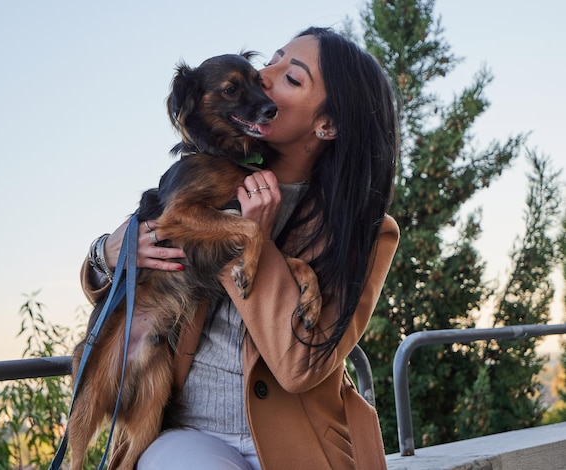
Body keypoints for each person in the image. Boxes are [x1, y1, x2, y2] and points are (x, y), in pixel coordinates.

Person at [81, 26, 400, 469]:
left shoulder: (364, 230)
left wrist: (256, 239)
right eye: (272, 60)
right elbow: (151, 278)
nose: (265, 77)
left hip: (302, 444)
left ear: (328, 125)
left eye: (293, 78)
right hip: (188, 432)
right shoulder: (212, 175)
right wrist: (104, 255)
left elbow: (299, 365)